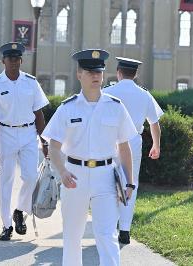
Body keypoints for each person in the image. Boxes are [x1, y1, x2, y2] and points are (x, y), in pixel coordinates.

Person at [42, 49, 138, 266]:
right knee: (72, 236)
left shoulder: (116, 107)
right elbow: (54, 147)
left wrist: (129, 181)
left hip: (105, 176)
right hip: (74, 176)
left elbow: (124, 147)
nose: (96, 76)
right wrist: (62, 171)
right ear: (79, 74)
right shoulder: (68, 108)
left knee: (106, 235)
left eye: (99, 72)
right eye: (90, 72)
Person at [0, 42, 49, 241]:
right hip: (6, 135)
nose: (13, 62)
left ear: (21, 60)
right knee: (5, 181)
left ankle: (20, 210)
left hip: (28, 134)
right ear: (3, 61)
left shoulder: (31, 82)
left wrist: (44, 142)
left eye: (17, 59)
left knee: (30, 177)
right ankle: (6, 225)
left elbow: (39, 114)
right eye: (9, 59)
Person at [103, 57, 163, 245]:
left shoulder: (107, 92)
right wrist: (156, 145)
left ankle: (110, 226)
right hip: (133, 141)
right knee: (131, 183)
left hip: (110, 141)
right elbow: (155, 123)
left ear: (118, 72)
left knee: (108, 182)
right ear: (135, 74)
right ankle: (125, 230)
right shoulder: (144, 95)